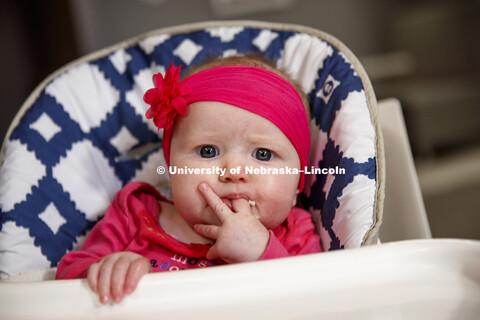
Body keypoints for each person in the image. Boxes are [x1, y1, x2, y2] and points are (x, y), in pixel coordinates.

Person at [55, 55, 322, 304]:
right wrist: (106, 269)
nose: (233, 171)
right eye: (208, 151)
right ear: (172, 167)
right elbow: (63, 282)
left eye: (263, 155)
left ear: (297, 184)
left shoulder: (294, 233)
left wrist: (261, 252)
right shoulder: (135, 214)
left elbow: (320, 300)